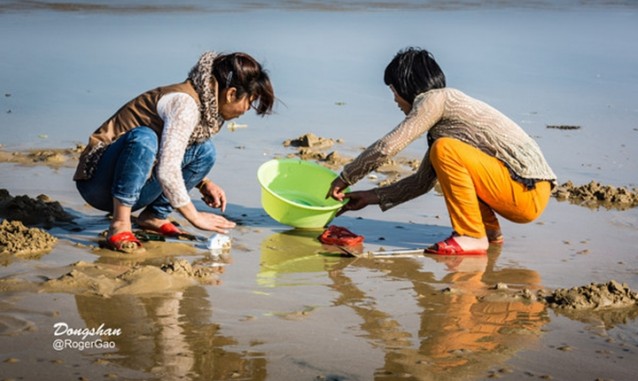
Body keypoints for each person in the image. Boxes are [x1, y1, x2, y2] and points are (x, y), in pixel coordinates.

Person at [327, 47, 556, 255]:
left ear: (407, 87)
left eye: (394, 91)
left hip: (526, 190)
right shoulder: (445, 121)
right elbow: (421, 183)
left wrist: (346, 177)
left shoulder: (435, 99)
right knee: (445, 150)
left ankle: (471, 235)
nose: (395, 100)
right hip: (526, 191)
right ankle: (488, 231)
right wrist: (368, 197)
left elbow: (388, 147)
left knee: (444, 149)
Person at [74, 51, 275, 253]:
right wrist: (195, 216)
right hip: (98, 184)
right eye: (250, 100)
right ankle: (120, 223)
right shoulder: (185, 104)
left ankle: (154, 216)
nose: (248, 109)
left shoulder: (206, 105)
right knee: (145, 138)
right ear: (231, 94)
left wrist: (203, 182)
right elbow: (167, 170)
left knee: (204, 152)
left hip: (135, 183)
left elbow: (174, 150)